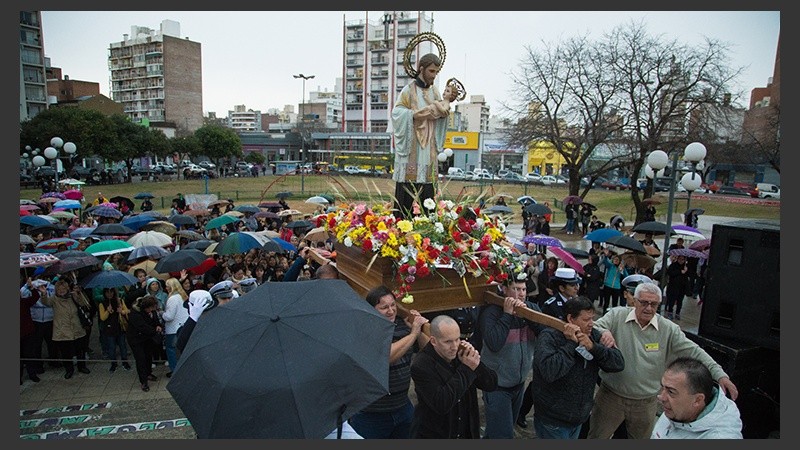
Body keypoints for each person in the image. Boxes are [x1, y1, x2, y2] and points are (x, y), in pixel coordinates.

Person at [587, 282, 738, 439]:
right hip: (611, 397)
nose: (649, 308)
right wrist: (604, 332)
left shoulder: (668, 329)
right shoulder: (617, 315)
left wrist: (719, 374)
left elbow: (694, 351)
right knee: (597, 437)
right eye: (644, 302)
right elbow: (594, 327)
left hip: (645, 404)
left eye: (654, 304)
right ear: (635, 301)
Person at [531, 296, 625, 439]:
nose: (591, 324)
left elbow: (618, 363)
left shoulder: (592, 335)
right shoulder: (549, 337)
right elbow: (550, 371)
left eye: (592, 319)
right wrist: (571, 344)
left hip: (578, 419)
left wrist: (593, 347)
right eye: (586, 320)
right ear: (571, 319)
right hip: (553, 421)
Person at [348, 286, 430, 439]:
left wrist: (418, 329)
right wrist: (413, 334)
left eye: (393, 305)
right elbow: (386, 357)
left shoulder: (401, 325)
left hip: (402, 407)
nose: (391, 310)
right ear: (371, 309)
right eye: (384, 307)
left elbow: (429, 351)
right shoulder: (366, 329)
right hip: (372, 414)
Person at [478, 266, 547, 438]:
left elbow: (544, 334)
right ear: (504, 289)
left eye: (524, 289)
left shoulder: (531, 309)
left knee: (499, 431)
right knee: (503, 435)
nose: (521, 294)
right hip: (497, 385)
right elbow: (494, 343)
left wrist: (526, 316)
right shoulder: (491, 312)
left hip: (519, 382)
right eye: (516, 289)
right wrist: (507, 315)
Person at [409, 315, 498, 438]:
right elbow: (442, 403)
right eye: (448, 342)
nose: (454, 346)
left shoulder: (460, 354)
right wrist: (466, 369)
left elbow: (491, 384)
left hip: (466, 433)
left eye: (457, 339)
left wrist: (476, 365)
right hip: (438, 435)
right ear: (433, 341)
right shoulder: (421, 365)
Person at [391, 51, 455, 219]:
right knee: (406, 193)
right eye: (431, 71)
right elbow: (397, 113)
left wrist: (444, 109)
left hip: (428, 150)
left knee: (428, 195)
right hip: (412, 148)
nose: (434, 75)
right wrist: (413, 115)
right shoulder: (408, 90)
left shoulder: (435, 92)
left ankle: (428, 226)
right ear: (421, 69)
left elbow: (441, 113)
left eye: (436, 72)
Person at [651, 357, 743, 439]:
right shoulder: (676, 411)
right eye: (663, 387)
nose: (661, 397)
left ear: (697, 400)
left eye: (671, 392)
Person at [36, 279, 92, 379]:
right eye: (59, 289)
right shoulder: (54, 299)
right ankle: (69, 370)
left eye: (63, 289)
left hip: (76, 327)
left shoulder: (72, 297)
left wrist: (78, 295)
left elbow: (84, 304)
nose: (61, 291)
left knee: (80, 350)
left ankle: (82, 366)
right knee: (66, 352)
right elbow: (46, 302)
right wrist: (44, 294)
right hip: (62, 330)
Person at [126, 295, 162, 392]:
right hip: (136, 339)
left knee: (148, 356)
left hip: (147, 338)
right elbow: (142, 327)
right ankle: (143, 381)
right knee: (141, 359)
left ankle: (148, 373)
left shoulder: (151, 310)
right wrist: (154, 331)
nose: (152, 310)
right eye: (151, 308)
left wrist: (158, 325)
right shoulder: (135, 314)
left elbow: (155, 319)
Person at [97, 287, 131, 373]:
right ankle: (113, 363)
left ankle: (125, 362)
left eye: (111, 292)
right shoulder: (102, 304)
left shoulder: (119, 301)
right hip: (109, 329)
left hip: (119, 327)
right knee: (111, 347)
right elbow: (102, 318)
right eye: (107, 292)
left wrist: (122, 311)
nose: (110, 294)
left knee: (123, 346)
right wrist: (108, 311)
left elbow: (127, 311)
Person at [162, 278, 190, 378]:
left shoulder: (172, 299)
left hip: (173, 329)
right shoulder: (183, 296)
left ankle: (175, 371)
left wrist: (162, 313)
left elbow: (169, 316)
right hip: (184, 326)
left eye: (167, 285)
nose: (166, 288)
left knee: (171, 350)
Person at [664, 253, 690, 321]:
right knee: (671, 300)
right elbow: (670, 273)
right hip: (673, 286)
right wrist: (680, 272)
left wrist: (686, 271)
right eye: (680, 259)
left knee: (680, 301)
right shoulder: (673, 265)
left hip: (682, 287)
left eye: (683, 259)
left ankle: (677, 313)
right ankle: (670, 312)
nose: (681, 261)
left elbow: (688, 277)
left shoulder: (685, 267)